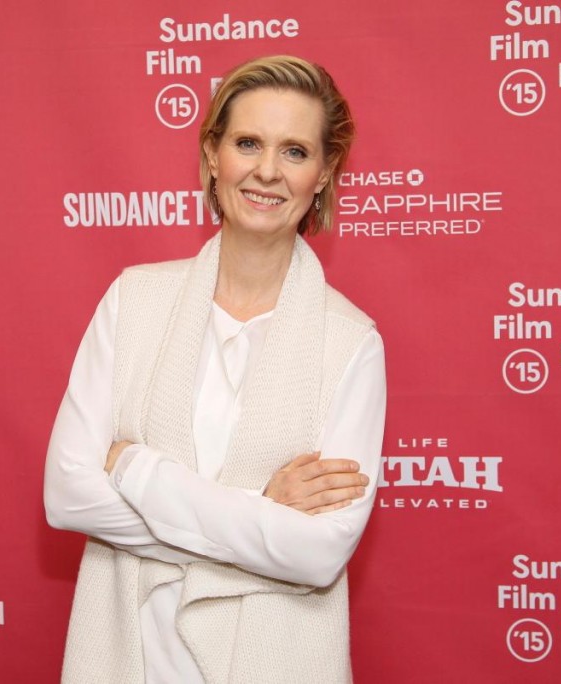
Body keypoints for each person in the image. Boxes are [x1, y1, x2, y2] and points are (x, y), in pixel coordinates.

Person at [44, 55, 386, 683]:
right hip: (131, 662)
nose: (267, 171)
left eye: (294, 151)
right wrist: (262, 512)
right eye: (248, 143)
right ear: (212, 153)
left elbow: (317, 553)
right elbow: (68, 496)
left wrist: (137, 470)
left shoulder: (351, 342)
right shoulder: (133, 300)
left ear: (324, 173)